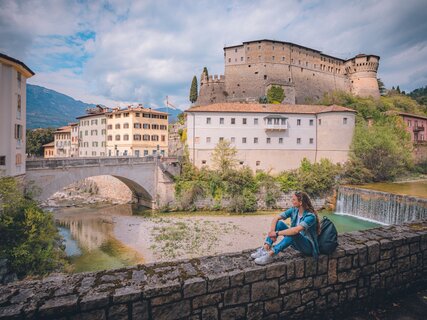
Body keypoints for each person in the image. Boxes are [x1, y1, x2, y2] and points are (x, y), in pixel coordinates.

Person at [251, 191, 320, 265]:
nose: (292, 201)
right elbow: (276, 218)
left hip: (308, 248)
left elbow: (296, 230)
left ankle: (271, 254)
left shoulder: (310, 216)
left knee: (294, 233)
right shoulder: (294, 210)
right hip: (295, 242)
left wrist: (277, 233)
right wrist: (272, 233)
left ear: (300, 202)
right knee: (279, 224)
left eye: (294, 200)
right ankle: (265, 248)